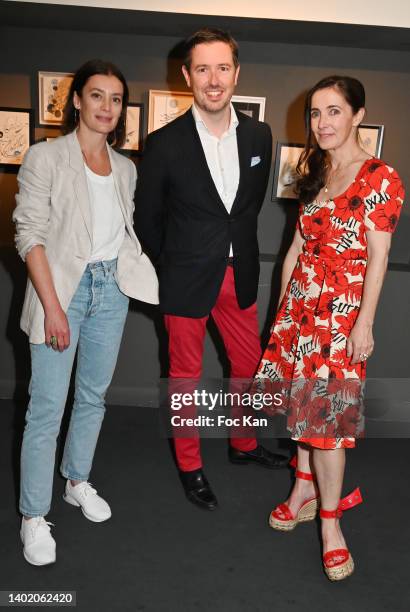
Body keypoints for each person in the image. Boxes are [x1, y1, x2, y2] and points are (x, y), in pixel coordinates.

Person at [254, 75, 404, 580]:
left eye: (334, 111)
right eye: (316, 113)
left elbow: (379, 259)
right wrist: (281, 309)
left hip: (340, 317)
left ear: (358, 115)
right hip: (300, 310)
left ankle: (331, 524)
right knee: (301, 407)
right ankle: (301, 489)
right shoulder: (315, 171)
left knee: (329, 427)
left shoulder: (381, 177)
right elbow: (297, 247)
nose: (322, 123)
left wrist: (365, 323)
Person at [13, 59, 158, 566]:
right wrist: (53, 308)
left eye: (116, 100)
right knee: (46, 408)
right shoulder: (45, 157)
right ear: (76, 101)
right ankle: (34, 515)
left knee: (93, 397)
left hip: (109, 292)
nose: (106, 108)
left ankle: (77, 480)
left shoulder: (125, 168)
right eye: (97, 96)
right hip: (61, 292)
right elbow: (28, 234)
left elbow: (120, 233)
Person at [135, 28, 287, 511]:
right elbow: (147, 220)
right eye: (202, 69)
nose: (214, 79)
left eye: (223, 68)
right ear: (187, 76)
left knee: (247, 368)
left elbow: (246, 209)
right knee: (185, 378)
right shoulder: (162, 143)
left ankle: (243, 444)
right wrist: (174, 264)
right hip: (184, 279)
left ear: (237, 74)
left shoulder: (260, 135)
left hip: (237, 273)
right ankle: (190, 465)